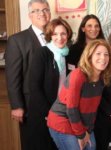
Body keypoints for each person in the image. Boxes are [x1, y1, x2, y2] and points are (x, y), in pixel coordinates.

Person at [47, 39, 111, 150]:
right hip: (62, 121)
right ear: (89, 56)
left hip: (81, 124)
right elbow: (72, 109)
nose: (103, 58)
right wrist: (81, 135)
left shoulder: (102, 78)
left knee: (92, 147)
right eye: (98, 53)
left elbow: (92, 109)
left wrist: (87, 131)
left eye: (106, 54)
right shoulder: (78, 75)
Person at [4, 0, 51, 149]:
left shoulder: (57, 37)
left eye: (45, 10)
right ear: (29, 15)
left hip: (53, 103)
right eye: (36, 11)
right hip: (30, 105)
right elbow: (12, 76)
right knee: (33, 143)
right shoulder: (17, 40)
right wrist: (17, 105)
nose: (42, 14)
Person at [27, 17, 72, 150]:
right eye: (55, 34)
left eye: (63, 33)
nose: (60, 37)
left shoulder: (69, 54)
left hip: (63, 112)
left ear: (68, 35)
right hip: (44, 112)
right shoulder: (42, 53)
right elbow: (34, 87)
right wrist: (49, 112)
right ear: (50, 36)